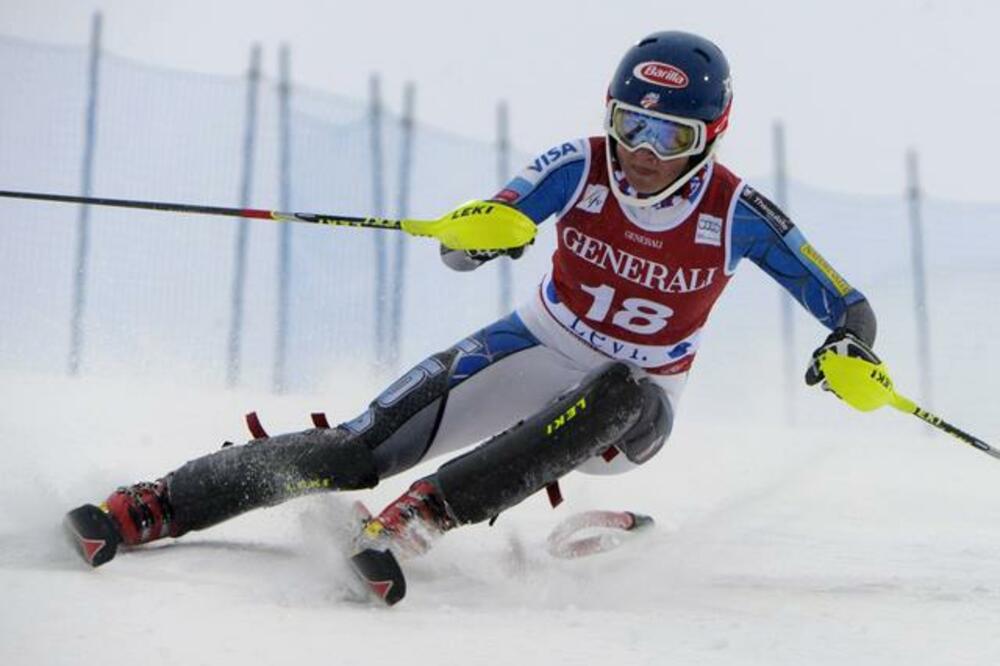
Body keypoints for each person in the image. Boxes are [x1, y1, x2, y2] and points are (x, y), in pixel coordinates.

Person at [65, 31, 880, 597]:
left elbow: (848, 303)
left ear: (710, 138)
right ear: (608, 114)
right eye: (631, 125)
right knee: (360, 446)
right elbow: (464, 247)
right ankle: (158, 503)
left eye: (670, 138)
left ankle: (422, 515)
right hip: (539, 343)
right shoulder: (579, 165)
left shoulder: (737, 211)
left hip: (637, 407)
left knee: (626, 385)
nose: (642, 153)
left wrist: (850, 347)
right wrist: (482, 235)